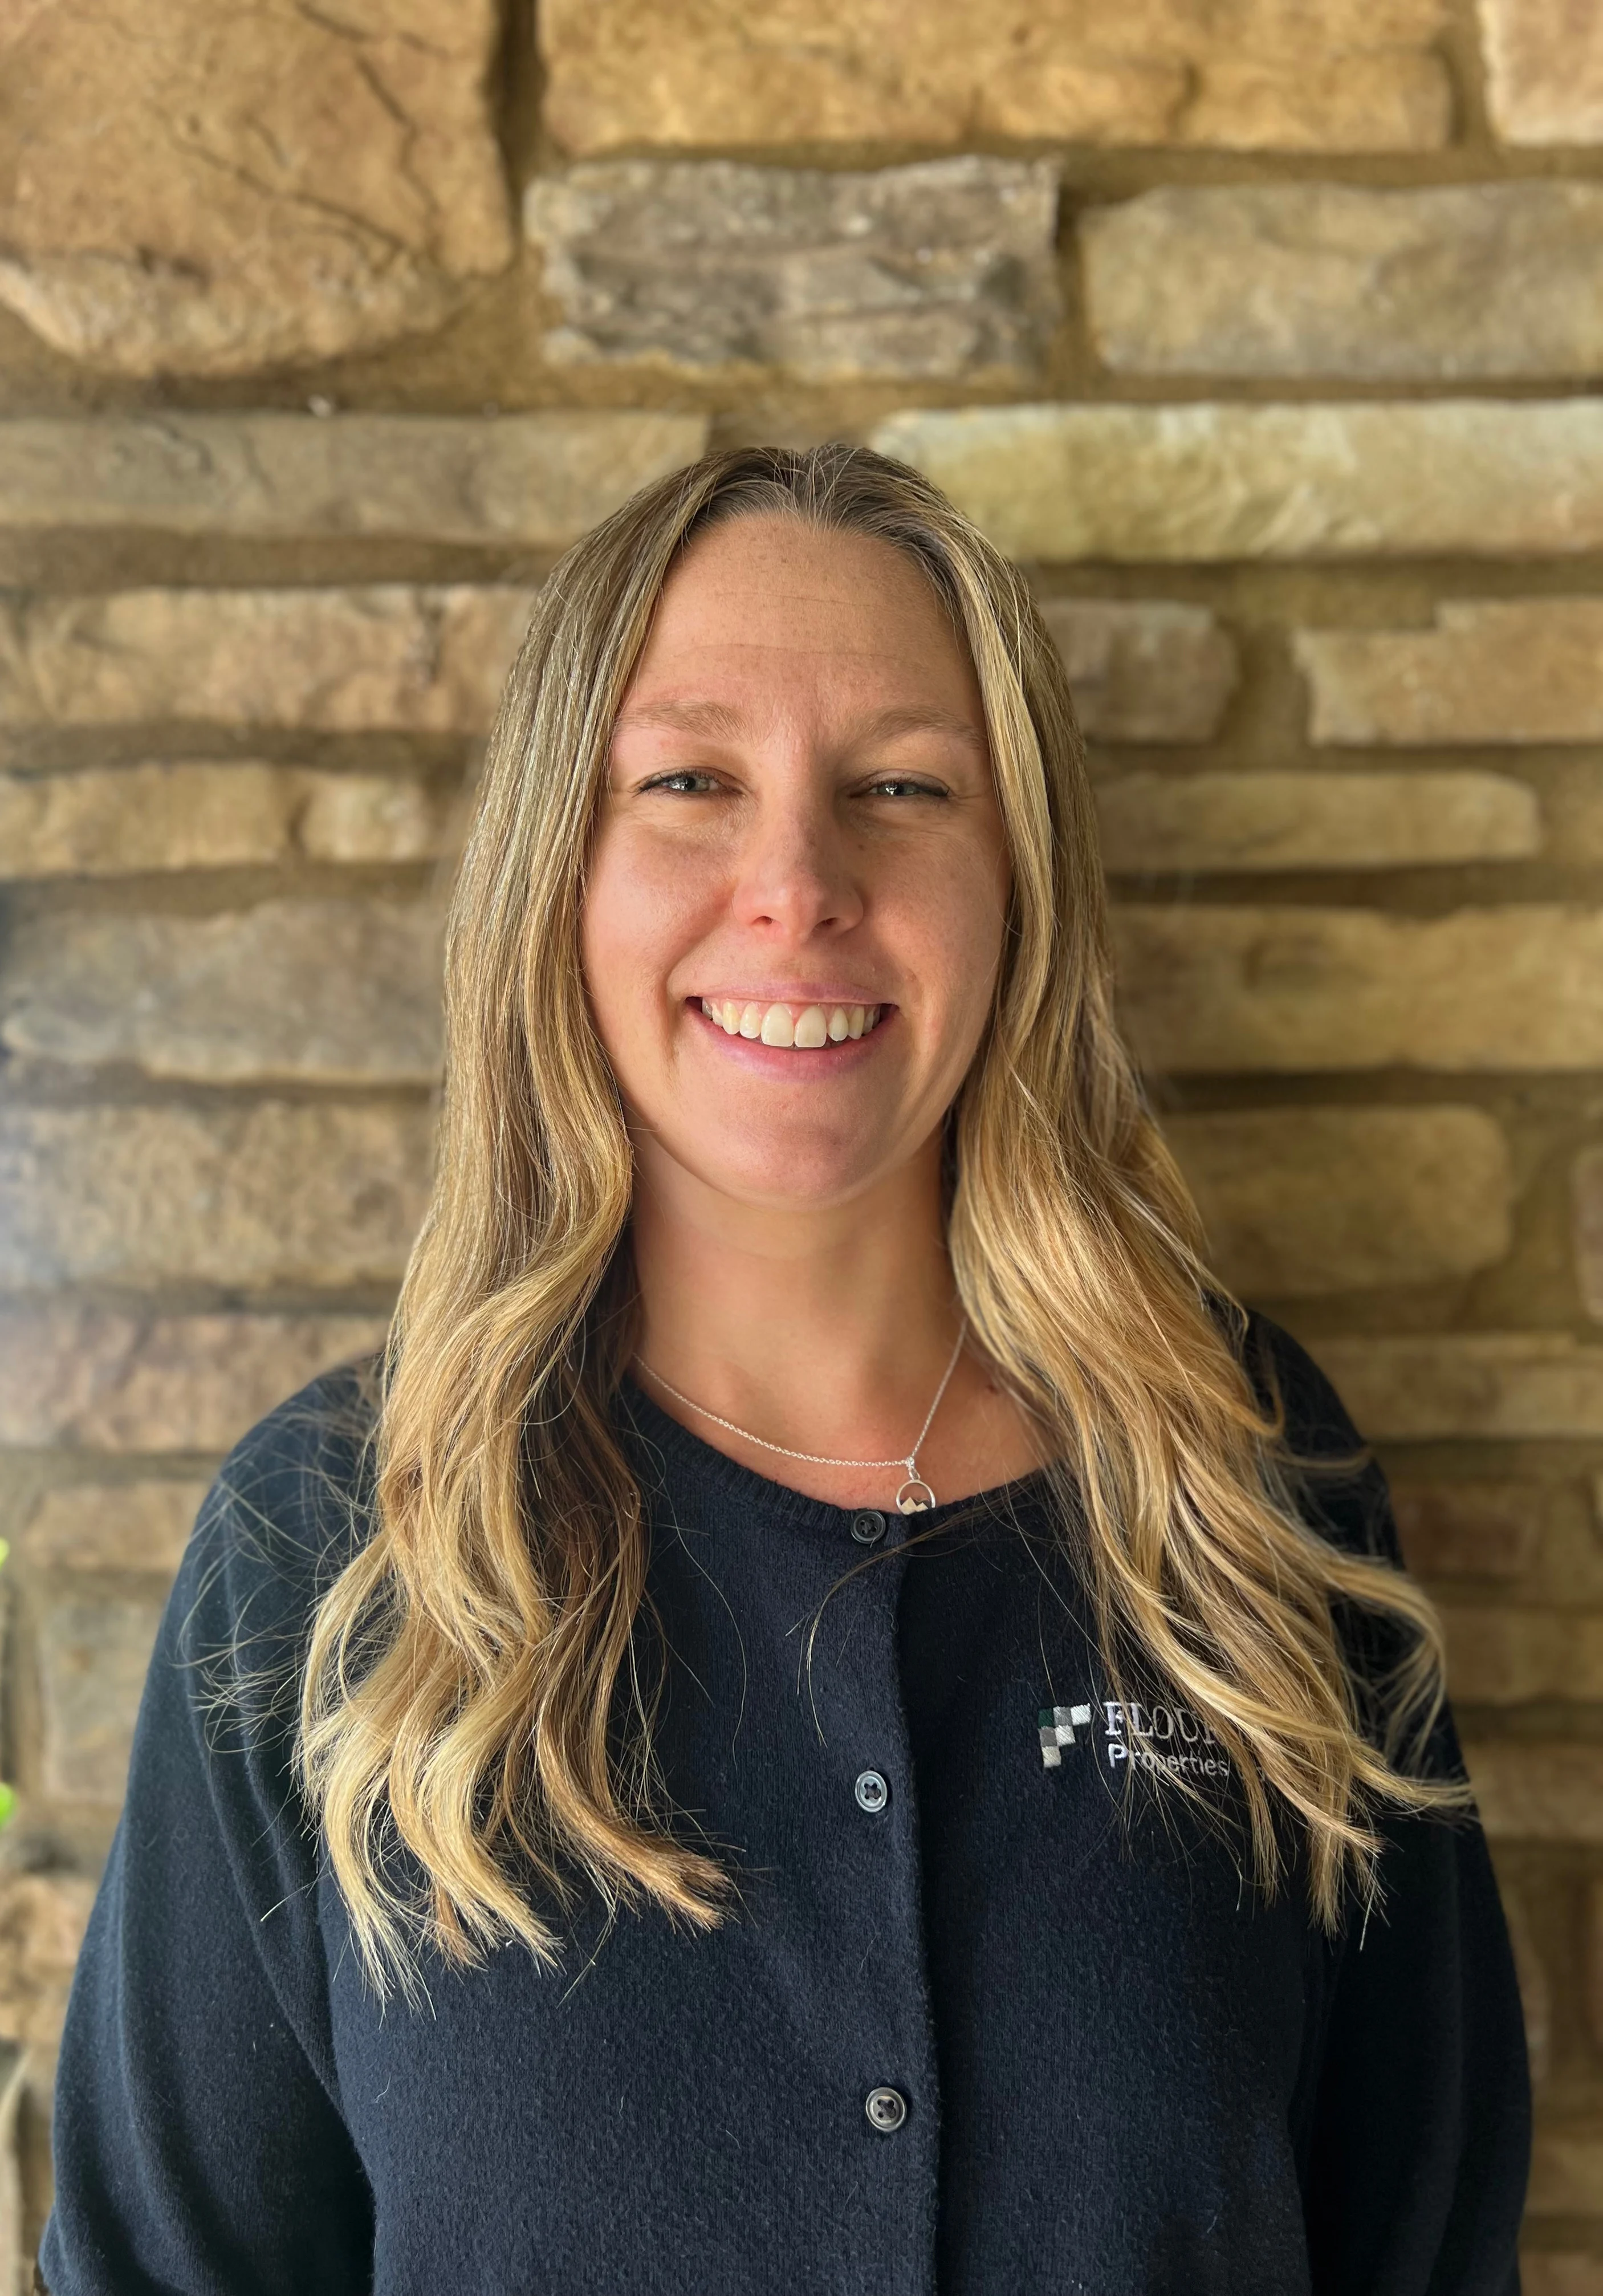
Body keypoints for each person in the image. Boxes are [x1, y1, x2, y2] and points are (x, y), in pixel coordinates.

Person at [38, 444, 1528, 2295]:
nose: (797, 885)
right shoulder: (330, 1550)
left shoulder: (1241, 1478)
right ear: (556, 872)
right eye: (689, 783)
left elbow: (1427, 2233)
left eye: (901, 786)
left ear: (1019, 879)